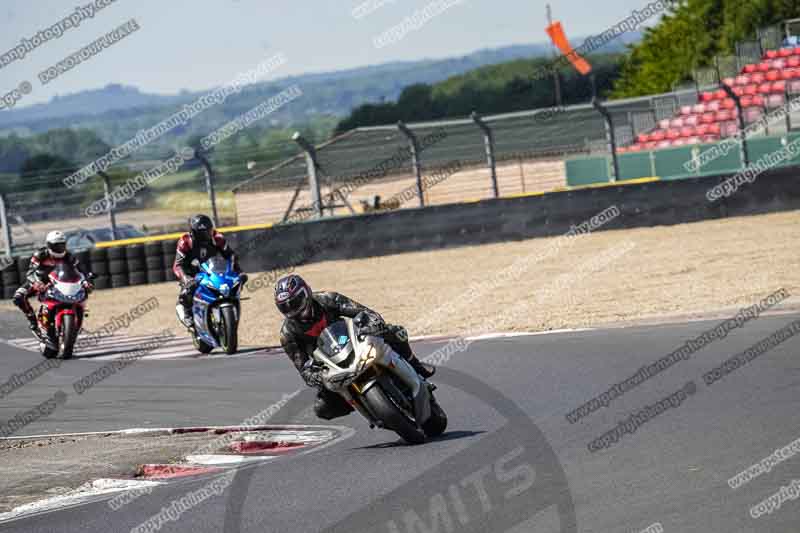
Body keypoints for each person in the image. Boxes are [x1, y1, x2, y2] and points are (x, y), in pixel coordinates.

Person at [275, 274, 434, 421]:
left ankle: (417, 366)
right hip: (329, 366)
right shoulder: (287, 334)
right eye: (285, 307)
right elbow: (302, 367)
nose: (292, 309)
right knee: (322, 409)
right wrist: (314, 375)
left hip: (354, 340)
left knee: (396, 333)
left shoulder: (327, 299)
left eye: (295, 302)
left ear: (306, 293)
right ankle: (364, 404)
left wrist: (372, 323)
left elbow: (365, 312)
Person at [172, 214, 246, 328]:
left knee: (229, 285)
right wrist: (186, 278)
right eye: (204, 232)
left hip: (212, 270)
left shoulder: (218, 238)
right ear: (195, 233)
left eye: (210, 230)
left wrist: (239, 272)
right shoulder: (185, 242)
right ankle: (186, 312)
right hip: (191, 273)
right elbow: (177, 265)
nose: (208, 234)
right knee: (187, 291)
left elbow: (230, 256)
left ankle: (228, 309)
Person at [12, 231, 93, 333]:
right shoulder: (40, 255)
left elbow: (81, 270)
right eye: (56, 245)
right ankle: (32, 319)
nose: (60, 248)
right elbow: (30, 272)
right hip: (40, 281)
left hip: (59, 283)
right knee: (18, 297)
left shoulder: (69, 256)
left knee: (77, 296)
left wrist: (87, 281)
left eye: (62, 245)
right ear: (49, 245)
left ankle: (75, 321)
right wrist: (36, 282)